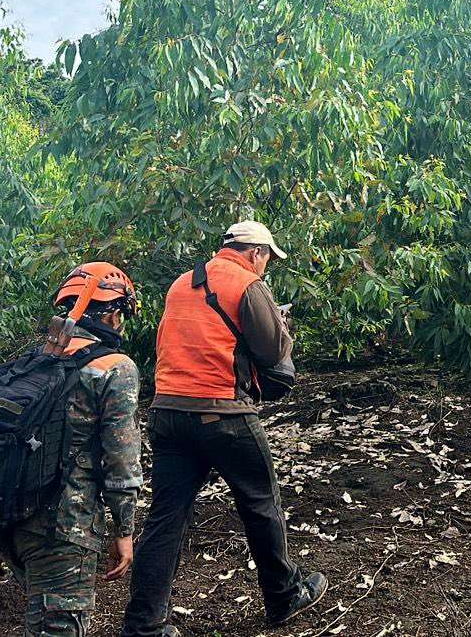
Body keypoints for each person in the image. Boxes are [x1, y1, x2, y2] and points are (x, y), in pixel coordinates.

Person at [121, 221, 326, 637]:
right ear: (256, 252)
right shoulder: (247, 284)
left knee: (165, 518)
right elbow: (273, 350)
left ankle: (144, 623)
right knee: (261, 503)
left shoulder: (182, 283)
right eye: (267, 258)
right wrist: (281, 325)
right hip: (223, 413)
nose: (266, 266)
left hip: (168, 412)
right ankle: (284, 596)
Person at [1, 262, 144, 637]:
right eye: (122, 316)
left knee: (41, 619)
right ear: (112, 314)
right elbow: (121, 459)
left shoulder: (33, 363)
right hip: (64, 526)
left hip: (10, 521)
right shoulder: (114, 368)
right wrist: (124, 531)